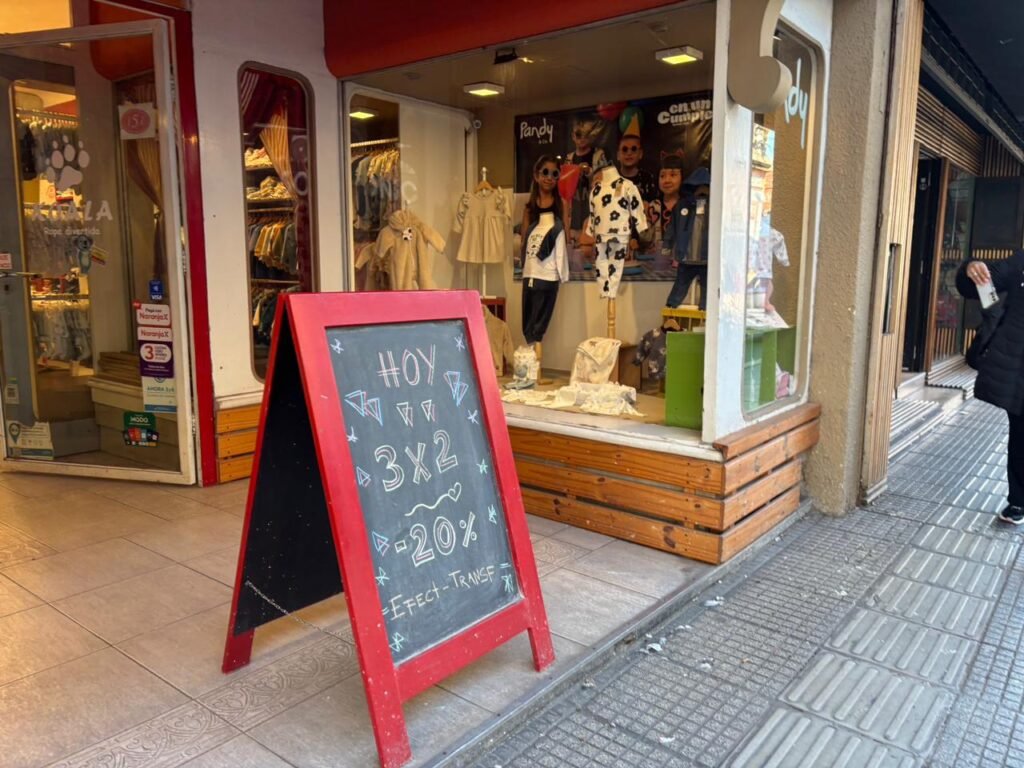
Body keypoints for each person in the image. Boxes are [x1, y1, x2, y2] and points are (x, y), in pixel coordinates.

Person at [958, 251, 1024, 524]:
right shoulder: (1021, 264)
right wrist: (971, 268)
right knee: (1021, 435)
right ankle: (1019, 500)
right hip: (1019, 371)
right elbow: (982, 285)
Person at [520, 155, 569, 346]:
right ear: (536, 175)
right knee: (529, 318)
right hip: (531, 272)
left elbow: (565, 237)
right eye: (545, 172)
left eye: (554, 174)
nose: (549, 178)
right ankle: (531, 355)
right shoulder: (529, 208)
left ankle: (536, 353)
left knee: (542, 319)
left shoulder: (561, 204)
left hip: (550, 273)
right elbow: (524, 241)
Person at [616, 134, 658, 203]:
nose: (629, 153)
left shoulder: (648, 178)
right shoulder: (612, 179)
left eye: (634, 149)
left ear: (640, 154)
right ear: (618, 155)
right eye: (624, 149)